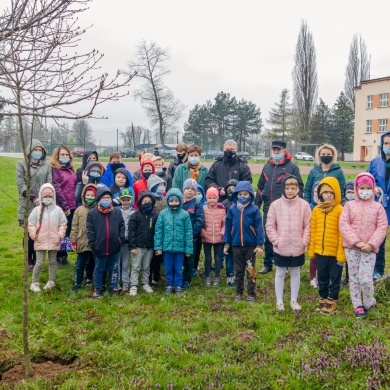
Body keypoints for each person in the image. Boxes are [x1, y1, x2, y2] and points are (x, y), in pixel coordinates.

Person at [339, 173, 388, 318]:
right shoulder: (349, 205)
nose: (365, 191)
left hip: (369, 249)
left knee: (366, 279)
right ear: (356, 188)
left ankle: (368, 301)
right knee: (354, 277)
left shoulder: (378, 207)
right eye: (362, 188)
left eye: (368, 188)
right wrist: (356, 242)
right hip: (352, 248)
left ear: (373, 189)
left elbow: (382, 227)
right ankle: (357, 304)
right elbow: (343, 224)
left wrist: (372, 244)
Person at [255, 140, 303, 274]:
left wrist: (298, 205)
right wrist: (257, 203)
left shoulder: (292, 167)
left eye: (279, 150)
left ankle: (285, 264)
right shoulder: (266, 167)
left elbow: (299, 187)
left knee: (284, 235)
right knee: (269, 235)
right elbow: (260, 187)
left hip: (285, 208)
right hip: (268, 207)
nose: (276, 153)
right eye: (274, 150)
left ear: (284, 151)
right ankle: (268, 263)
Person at [266, 175, 311, 311]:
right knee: (279, 273)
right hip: (281, 246)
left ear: (298, 189)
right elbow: (270, 225)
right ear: (283, 188)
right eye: (287, 188)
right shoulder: (275, 205)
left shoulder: (304, 205)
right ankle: (279, 301)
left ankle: (294, 300)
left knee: (295, 273)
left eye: (293, 188)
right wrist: (276, 241)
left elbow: (308, 225)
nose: (290, 191)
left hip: (298, 246)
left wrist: (304, 241)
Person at [308, 177, 345, 315]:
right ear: (320, 194)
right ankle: (323, 299)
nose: (328, 195)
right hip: (320, 252)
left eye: (331, 192)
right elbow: (313, 231)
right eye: (325, 192)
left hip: (335, 253)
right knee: (322, 277)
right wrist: (312, 251)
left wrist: (341, 255)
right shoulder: (316, 210)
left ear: (336, 193)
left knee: (335, 278)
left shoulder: (340, 210)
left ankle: (332, 301)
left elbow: (342, 234)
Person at [223, 181, 264, 302]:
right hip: (236, 245)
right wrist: (227, 242)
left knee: (250, 269)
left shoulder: (254, 210)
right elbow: (228, 226)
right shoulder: (232, 209)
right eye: (240, 194)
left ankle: (251, 293)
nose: (242, 196)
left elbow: (259, 228)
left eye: (245, 194)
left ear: (250, 195)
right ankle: (238, 293)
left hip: (251, 246)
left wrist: (259, 244)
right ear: (236, 195)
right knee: (239, 270)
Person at [16, 139, 52, 271]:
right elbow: (21, 184)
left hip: (43, 203)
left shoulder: (46, 165)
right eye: (35, 150)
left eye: (40, 150)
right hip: (27, 205)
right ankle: (28, 259)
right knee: (28, 234)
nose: (37, 152)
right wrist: (33, 197)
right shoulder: (21, 164)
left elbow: (49, 182)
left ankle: (37, 259)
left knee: (39, 233)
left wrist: (43, 197)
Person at [86, 186, 125, 298]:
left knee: (114, 269)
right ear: (98, 199)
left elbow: (121, 226)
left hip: (114, 246)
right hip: (99, 247)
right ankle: (98, 288)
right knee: (99, 268)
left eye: (108, 198)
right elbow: (90, 230)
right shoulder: (92, 213)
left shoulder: (117, 212)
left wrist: (120, 239)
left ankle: (114, 287)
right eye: (104, 198)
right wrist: (94, 244)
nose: (106, 200)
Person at [28, 184, 67, 292]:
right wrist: (34, 234)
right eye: (45, 196)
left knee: (52, 262)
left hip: (54, 240)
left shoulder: (58, 210)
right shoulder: (36, 211)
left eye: (50, 196)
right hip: (40, 240)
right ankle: (34, 282)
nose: (47, 199)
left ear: (53, 197)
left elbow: (63, 223)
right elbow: (30, 223)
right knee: (39, 262)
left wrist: (60, 235)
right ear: (41, 197)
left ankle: (51, 281)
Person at [154, 188, 193, 296]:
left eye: (176, 200)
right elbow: (158, 231)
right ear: (168, 201)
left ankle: (178, 285)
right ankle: (169, 284)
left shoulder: (185, 215)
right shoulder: (163, 214)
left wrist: (188, 248)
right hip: (167, 248)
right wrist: (158, 247)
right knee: (168, 267)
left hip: (180, 248)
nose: (174, 203)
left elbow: (188, 233)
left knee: (178, 267)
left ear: (180, 201)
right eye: (171, 201)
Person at [367, 131, 390, 281]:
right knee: (378, 238)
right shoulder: (375, 162)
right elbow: (367, 180)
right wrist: (372, 187)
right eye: (386, 143)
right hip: (378, 206)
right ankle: (376, 269)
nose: (388, 146)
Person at [50, 145, 77, 265]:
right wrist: (65, 206)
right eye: (62, 155)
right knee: (58, 231)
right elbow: (57, 188)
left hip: (72, 205)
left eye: (67, 155)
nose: (65, 157)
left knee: (67, 231)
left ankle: (63, 256)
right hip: (61, 205)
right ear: (57, 156)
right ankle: (56, 256)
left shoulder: (71, 169)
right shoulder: (55, 169)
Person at [128, 191, 157, 296]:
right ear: (140, 202)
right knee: (136, 267)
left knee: (146, 266)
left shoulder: (155, 216)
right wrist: (132, 246)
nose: (147, 203)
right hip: (138, 247)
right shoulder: (135, 216)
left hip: (149, 246)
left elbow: (156, 231)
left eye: (149, 201)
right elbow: (131, 232)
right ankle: (133, 285)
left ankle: (145, 283)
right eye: (145, 201)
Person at [70, 184, 97, 290]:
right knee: (80, 263)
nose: (90, 197)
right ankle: (78, 282)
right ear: (84, 195)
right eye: (88, 195)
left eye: (92, 195)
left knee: (92, 262)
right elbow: (74, 226)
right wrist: (73, 241)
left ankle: (90, 279)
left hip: (94, 241)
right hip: (81, 240)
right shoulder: (79, 210)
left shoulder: (98, 209)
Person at [181, 179, 205, 289]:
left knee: (190, 258)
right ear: (183, 189)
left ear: (195, 192)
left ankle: (187, 280)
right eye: (187, 188)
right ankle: (178, 277)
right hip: (179, 237)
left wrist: (191, 234)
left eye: (192, 189)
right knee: (180, 257)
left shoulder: (197, 203)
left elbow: (199, 220)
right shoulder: (179, 201)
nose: (189, 191)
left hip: (192, 238)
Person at [201, 188, 225, 287]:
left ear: (217, 198)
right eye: (209, 198)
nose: (211, 200)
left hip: (218, 238)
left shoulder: (222, 209)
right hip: (207, 238)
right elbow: (201, 223)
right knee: (207, 258)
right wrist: (203, 233)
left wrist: (222, 232)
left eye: (214, 198)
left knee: (217, 258)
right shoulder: (203, 209)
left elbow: (224, 223)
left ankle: (217, 277)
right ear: (206, 198)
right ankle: (207, 276)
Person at [147, 174, 167, 284]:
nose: (162, 187)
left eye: (163, 185)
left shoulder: (165, 199)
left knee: (160, 254)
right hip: (151, 231)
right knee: (151, 255)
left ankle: (157, 273)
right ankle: (149, 275)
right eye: (159, 185)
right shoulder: (149, 199)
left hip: (163, 231)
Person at [117, 189, 136, 292]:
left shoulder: (134, 212)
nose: (126, 202)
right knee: (117, 263)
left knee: (125, 263)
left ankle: (125, 284)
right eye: (123, 200)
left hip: (128, 242)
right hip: (118, 241)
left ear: (131, 200)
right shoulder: (117, 211)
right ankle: (116, 283)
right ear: (120, 200)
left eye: (127, 200)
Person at [221, 179, 238, 287]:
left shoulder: (241, 203)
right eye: (229, 189)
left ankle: (239, 275)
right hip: (228, 234)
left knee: (240, 257)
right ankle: (230, 275)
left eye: (234, 188)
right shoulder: (223, 204)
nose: (231, 190)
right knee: (229, 256)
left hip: (239, 234)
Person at [340, 180, 355, 286]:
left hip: (354, 235)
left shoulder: (356, 205)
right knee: (345, 258)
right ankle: (346, 278)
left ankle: (352, 278)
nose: (350, 194)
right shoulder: (342, 205)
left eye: (352, 192)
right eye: (348, 192)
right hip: (343, 235)